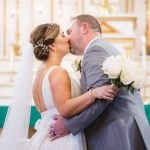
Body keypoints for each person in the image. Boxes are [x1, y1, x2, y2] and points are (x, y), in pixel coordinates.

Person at [50, 14, 150, 150]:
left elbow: (103, 98)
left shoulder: (95, 50)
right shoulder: (106, 47)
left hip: (117, 131)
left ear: (84, 28)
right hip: (125, 126)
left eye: (69, 32)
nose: (67, 38)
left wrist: (69, 125)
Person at [27, 23, 118, 150]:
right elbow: (64, 108)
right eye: (63, 35)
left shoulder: (39, 75)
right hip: (62, 140)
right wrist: (93, 93)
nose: (68, 38)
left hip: (46, 137)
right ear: (52, 46)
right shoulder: (58, 72)